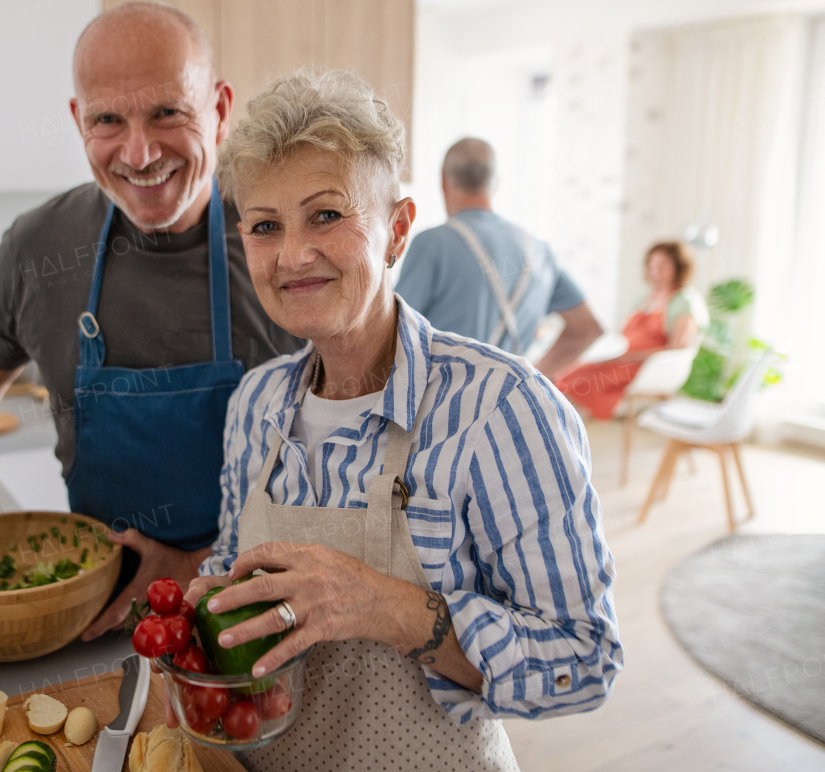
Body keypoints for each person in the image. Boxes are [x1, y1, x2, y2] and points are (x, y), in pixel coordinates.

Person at [175, 69, 621, 771]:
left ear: (398, 230)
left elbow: (584, 659)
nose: (293, 255)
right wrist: (211, 603)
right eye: (265, 226)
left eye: (327, 215)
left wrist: (385, 605)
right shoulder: (255, 404)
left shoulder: (503, 409)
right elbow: (237, 565)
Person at [0, 1, 302, 638]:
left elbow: (357, 462)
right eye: (107, 119)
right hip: (95, 622)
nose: (139, 151)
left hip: (261, 619)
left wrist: (196, 567)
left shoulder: (283, 242)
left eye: (167, 113)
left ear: (220, 109)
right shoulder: (39, 248)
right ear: (78, 121)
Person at [395, 137, 603, 379]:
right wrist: (533, 377)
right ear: (495, 183)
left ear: (443, 181)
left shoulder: (431, 244)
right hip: (510, 408)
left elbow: (393, 335)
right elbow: (589, 327)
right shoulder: (538, 250)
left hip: (444, 407)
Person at [554, 241, 707, 420]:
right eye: (652, 266)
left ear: (679, 267)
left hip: (644, 366)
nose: (656, 272)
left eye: (663, 266)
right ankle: (563, 423)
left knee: (580, 381)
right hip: (617, 359)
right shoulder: (645, 298)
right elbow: (623, 336)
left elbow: (677, 348)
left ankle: (568, 425)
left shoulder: (685, 301)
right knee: (566, 373)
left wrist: (627, 357)